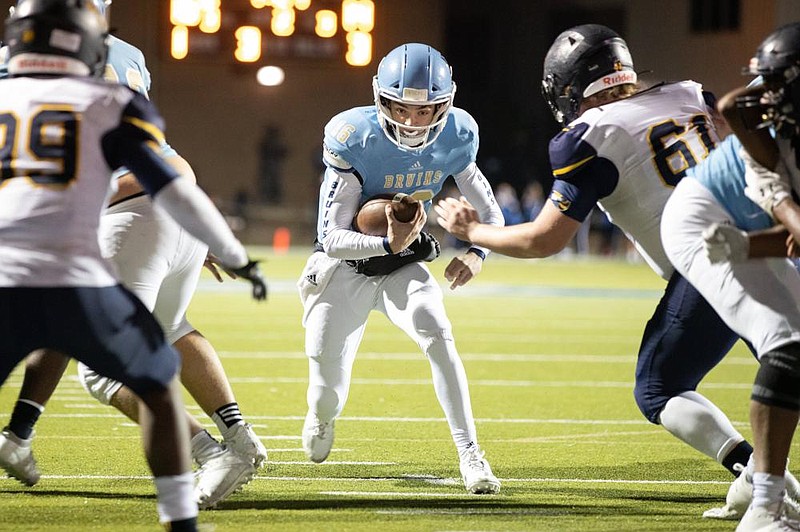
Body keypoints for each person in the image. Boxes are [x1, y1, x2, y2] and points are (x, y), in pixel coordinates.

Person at [435, 23, 800, 517]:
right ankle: (760, 477)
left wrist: (473, 230)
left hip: (706, 257)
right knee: (783, 364)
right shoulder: (690, 94)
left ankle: (760, 480)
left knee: (660, 386)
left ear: (567, 88)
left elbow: (545, 238)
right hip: (770, 239)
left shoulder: (590, 135)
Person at [0, 0, 266, 528]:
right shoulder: (122, 61)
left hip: (121, 220)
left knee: (103, 372)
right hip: (165, 208)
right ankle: (238, 439)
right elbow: (164, 161)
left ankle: (213, 455)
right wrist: (224, 244)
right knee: (164, 328)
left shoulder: (16, 71)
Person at [297, 42, 504, 494]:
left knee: (437, 331)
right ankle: (321, 414)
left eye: (426, 110)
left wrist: (477, 254)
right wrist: (384, 240)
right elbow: (332, 238)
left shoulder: (458, 134)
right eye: (401, 108)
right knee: (327, 384)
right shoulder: (354, 135)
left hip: (401, 267)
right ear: (380, 100)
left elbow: (491, 214)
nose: (412, 121)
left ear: (444, 106)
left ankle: (471, 453)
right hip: (345, 268)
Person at [660, 22, 800, 531]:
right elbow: (734, 108)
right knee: (788, 344)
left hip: (747, 230)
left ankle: (764, 495)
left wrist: (748, 245)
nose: (772, 100)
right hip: (704, 224)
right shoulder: (763, 137)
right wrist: (742, 245)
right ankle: (765, 505)